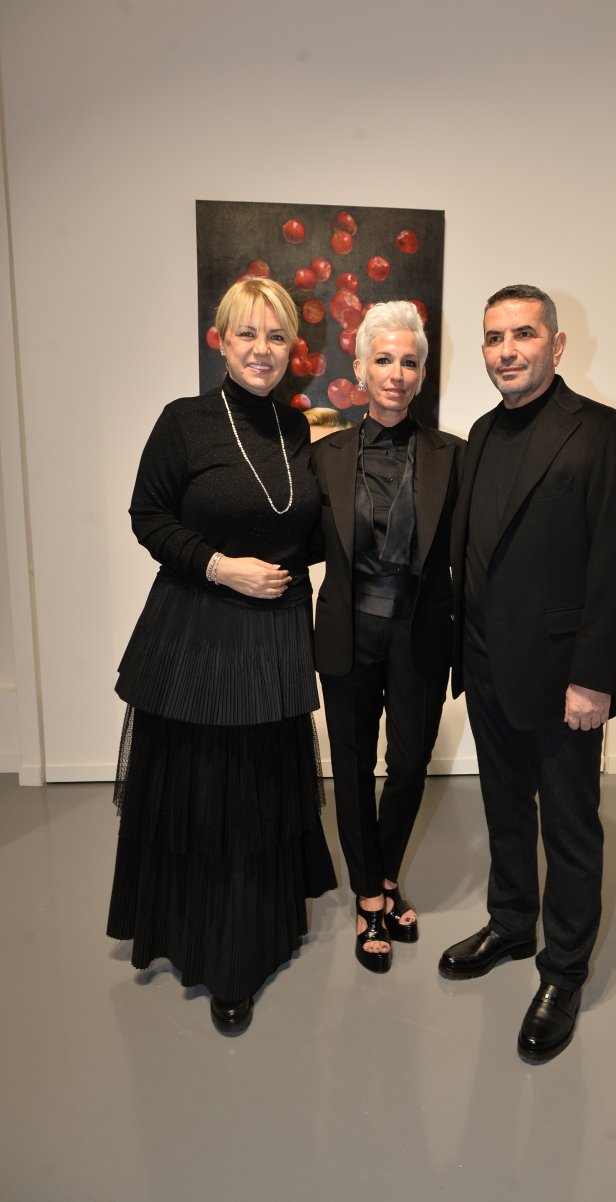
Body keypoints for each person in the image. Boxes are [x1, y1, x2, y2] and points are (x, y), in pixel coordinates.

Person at [107, 277, 336, 1036]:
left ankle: (257, 936)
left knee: (260, 796)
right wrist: (218, 566)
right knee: (207, 798)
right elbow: (147, 515)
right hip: (197, 631)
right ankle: (214, 956)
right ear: (221, 341)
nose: (261, 350)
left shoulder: (298, 428)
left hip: (274, 635)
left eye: (276, 336)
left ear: (292, 347)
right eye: (247, 334)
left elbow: (299, 528)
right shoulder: (185, 421)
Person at [439, 284, 616, 1063]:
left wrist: (595, 677)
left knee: (569, 826)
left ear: (556, 345)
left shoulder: (603, 434)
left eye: (523, 334)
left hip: (564, 680)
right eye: (495, 338)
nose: (508, 350)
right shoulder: (482, 432)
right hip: (487, 665)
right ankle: (510, 924)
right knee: (502, 809)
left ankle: (563, 970)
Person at [312, 301, 464, 972]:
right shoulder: (324, 456)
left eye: (408, 362)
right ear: (360, 370)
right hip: (348, 635)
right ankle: (369, 894)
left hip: (421, 632)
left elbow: (470, 552)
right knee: (351, 767)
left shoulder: (454, 456)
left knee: (406, 766)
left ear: (422, 374)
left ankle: (387, 872)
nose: (396, 373)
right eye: (384, 360)